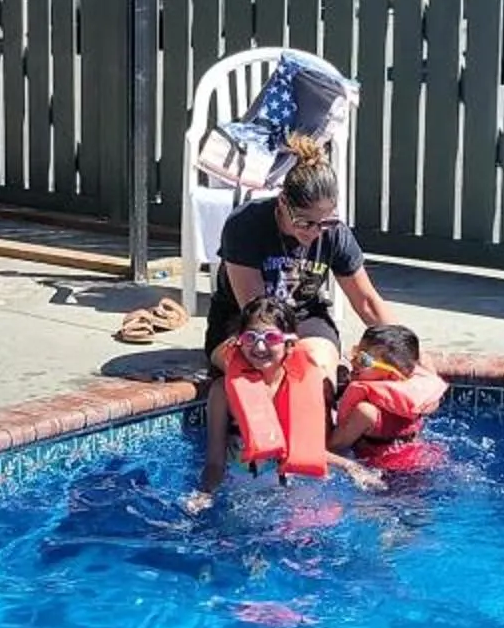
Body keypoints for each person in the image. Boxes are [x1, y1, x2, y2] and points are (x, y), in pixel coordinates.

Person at [188, 135, 397, 505]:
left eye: (324, 222)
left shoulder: (334, 233)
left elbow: (366, 301)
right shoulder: (246, 226)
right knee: (266, 357)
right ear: (282, 202)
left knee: (315, 369)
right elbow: (257, 312)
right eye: (305, 222)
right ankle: (262, 442)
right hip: (244, 323)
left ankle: (317, 452)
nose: (314, 232)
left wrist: (405, 354)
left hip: (306, 316)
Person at [329, 324, 448, 462]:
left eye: (364, 360)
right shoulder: (418, 399)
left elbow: (333, 446)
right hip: (423, 459)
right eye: (356, 352)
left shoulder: (366, 412)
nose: (353, 361)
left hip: (387, 474)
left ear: (392, 374)